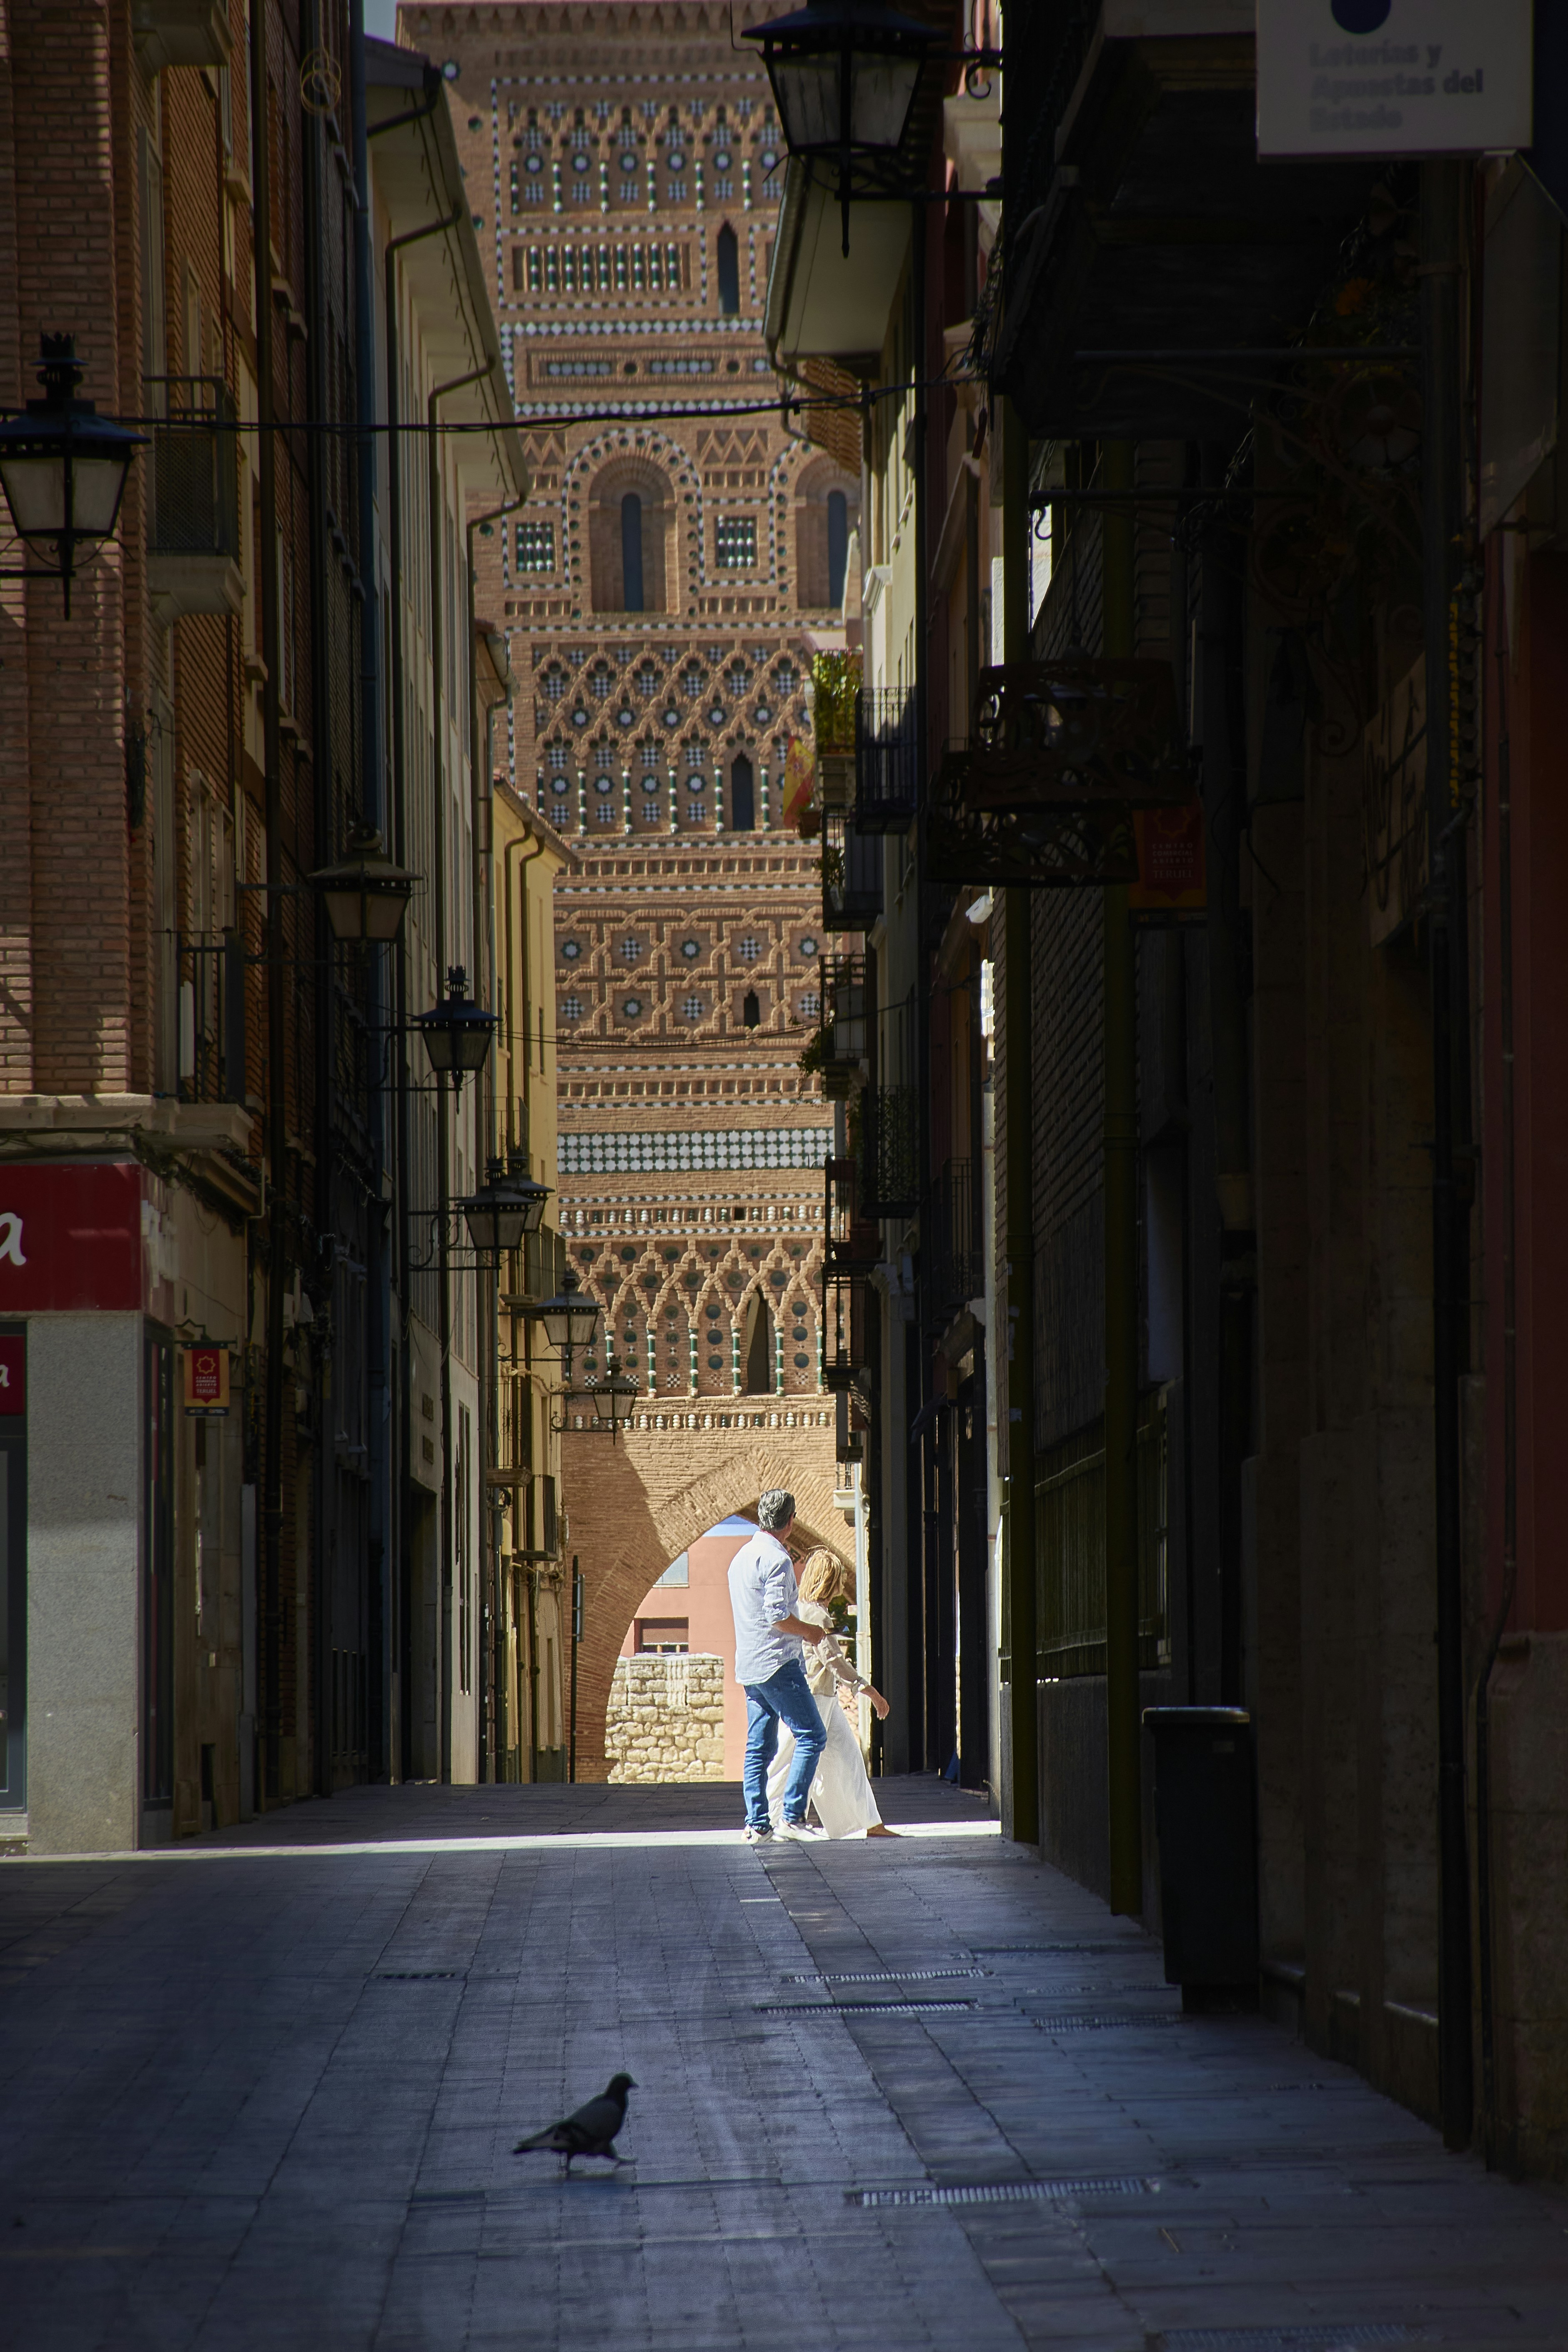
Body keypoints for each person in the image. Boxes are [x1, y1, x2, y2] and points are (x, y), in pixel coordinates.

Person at [767, 1550, 895, 1839]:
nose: (843, 1581)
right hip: (813, 1699)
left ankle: (870, 1824)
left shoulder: (802, 1611)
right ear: (830, 1579)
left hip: (822, 1698)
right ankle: (771, 1822)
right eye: (839, 1577)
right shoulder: (816, 1616)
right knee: (789, 1760)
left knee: (846, 1758)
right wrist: (871, 1691)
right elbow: (834, 1661)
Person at [727, 1489, 827, 1844]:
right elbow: (777, 1616)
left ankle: (757, 1824)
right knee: (813, 1735)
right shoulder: (778, 1559)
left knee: (758, 1746)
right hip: (778, 1663)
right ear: (790, 1520)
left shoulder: (739, 1559)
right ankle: (793, 1817)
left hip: (750, 1666)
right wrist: (811, 1631)